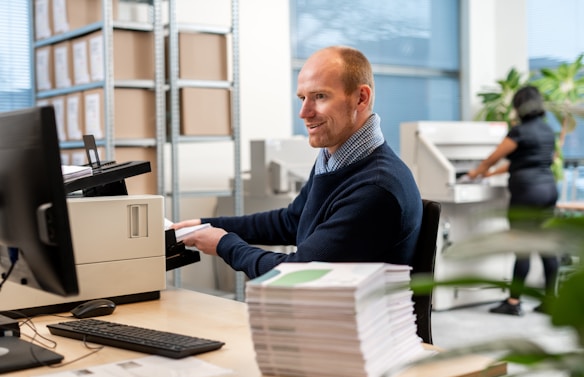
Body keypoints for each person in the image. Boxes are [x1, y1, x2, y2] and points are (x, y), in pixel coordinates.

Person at [171, 45, 423, 280]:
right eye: (302, 98)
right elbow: (293, 221)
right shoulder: (334, 159)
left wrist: (224, 244)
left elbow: (299, 274)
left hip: (349, 324)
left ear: (360, 98)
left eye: (320, 96)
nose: (304, 112)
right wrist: (210, 225)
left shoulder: (376, 188)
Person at [468, 85, 559, 316]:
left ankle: (513, 303)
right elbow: (528, 161)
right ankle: (550, 301)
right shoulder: (548, 131)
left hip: (527, 194)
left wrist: (476, 172)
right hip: (548, 190)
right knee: (547, 247)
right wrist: (491, 174)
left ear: (519, 106)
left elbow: (493, 157)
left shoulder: (519, 131)